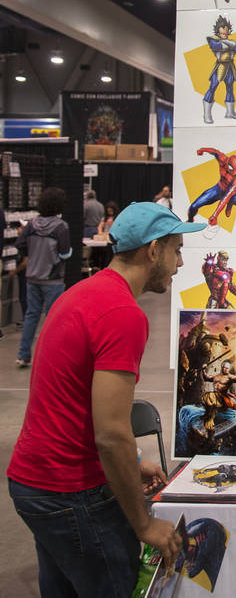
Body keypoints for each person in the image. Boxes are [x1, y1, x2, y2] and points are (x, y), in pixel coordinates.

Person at [8, 202, 200, 595]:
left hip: (37, 483)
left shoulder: (84, 294)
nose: (179, 263)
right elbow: (111, 433)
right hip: (71, 489)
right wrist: (144, 526)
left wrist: (132, 462)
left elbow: (74, 405)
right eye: (176, 250)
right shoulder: (121, 312)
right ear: (152, 251)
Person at [15, 188, 72, 368]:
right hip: (53, 278)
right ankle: (50, 357)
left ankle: (23, 355)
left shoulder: (31, 224)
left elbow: (20, 244)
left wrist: (32, 255)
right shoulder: (61, 226)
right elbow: (64, 254)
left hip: (32, 276)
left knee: (31, 315)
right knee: (53, 319)